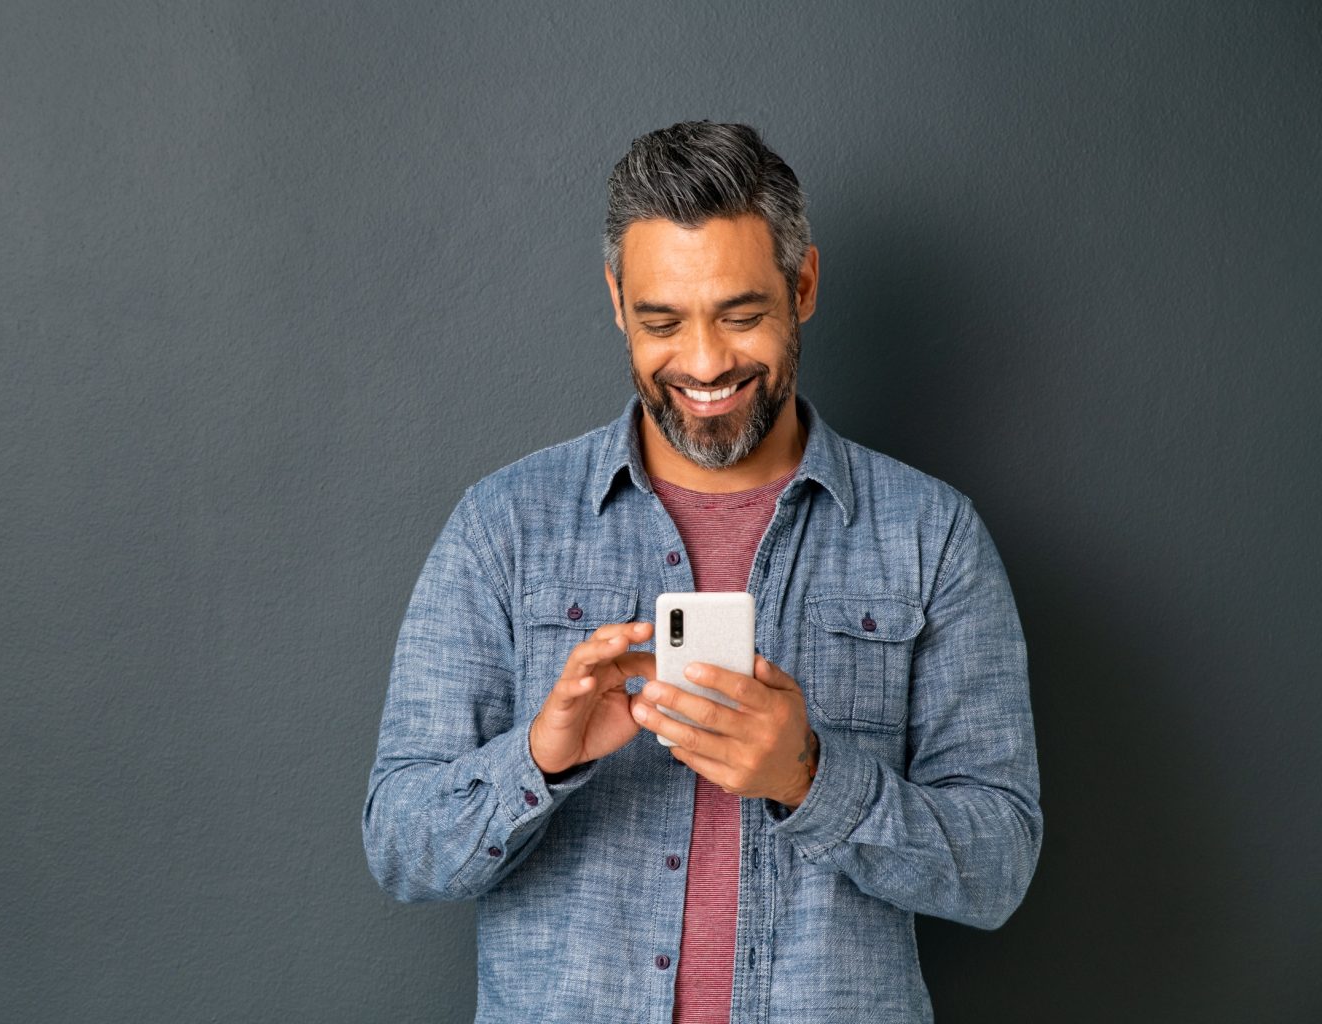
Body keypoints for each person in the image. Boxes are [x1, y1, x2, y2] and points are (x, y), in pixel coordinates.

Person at [363, 120, 1042, 1023]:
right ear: (615, 301)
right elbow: (402, 847)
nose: (705, 362)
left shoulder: (933, 536)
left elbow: (996, 867)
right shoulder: (504, 527)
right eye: (662, 321)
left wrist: (810, 777)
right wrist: (540, 759)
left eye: (740, 314)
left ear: (801, 286)